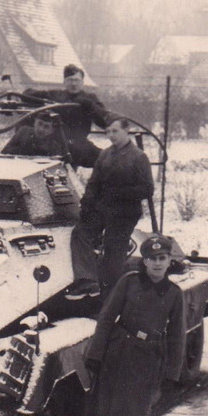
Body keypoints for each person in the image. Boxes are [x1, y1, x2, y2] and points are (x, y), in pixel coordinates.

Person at [82, 235, 186, 416]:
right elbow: (107, 318)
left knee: (137, 413)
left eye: (162, 258)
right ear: (145, 261)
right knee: (102, 410)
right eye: (152, 259)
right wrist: (95, 354)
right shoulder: (129, 282)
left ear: (170, 261)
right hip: (118, 354)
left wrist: (172, 373)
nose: (158, 264)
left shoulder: (174, 294)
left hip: (148, 359)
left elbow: (176, 336)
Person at [65, 116, 154, 300]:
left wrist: (119, 193)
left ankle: (112, 299)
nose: (111, 135)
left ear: (126, 130)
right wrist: (87, 204)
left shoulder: (138, 157)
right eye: (108, 132)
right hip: (103, 208)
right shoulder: (105, 155)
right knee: (80, 233)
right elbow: (94, 183)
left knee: (113, 251)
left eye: (115, 131)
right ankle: (87, 281)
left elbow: (147, 189)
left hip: (125, 212)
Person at [24, 63, 109, 167]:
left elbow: (105, 121)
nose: (73, 84)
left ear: (82, 82)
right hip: (56, 145)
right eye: (70, 80)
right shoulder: (56, 95)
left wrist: (90, 107)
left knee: (107, 162)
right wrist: (28, 93)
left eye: (77, 80)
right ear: (64, 82)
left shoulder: (90, 98)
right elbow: (28, 95)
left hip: (80, 144)